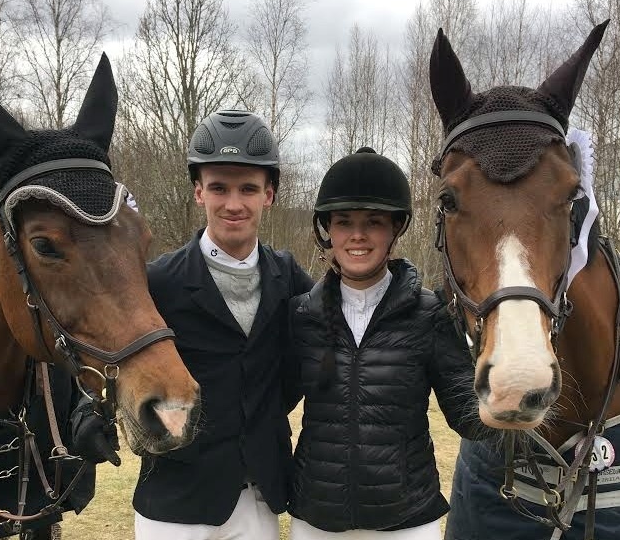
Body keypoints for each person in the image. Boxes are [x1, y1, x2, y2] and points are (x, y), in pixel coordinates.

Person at [132, 110, 314, 540]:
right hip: (175, 501)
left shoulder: (289, 278)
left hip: (258, 499)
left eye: (248, 188)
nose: (234, 204)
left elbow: (306, 363)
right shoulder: (157, 282)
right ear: (198, 191)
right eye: (219, 187)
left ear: (269, 195)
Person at [286, 147, 483, 539]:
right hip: (317, 518)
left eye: (373, 222)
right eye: (344, 222)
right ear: (329, 230)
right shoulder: (301, 315)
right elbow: (268, 401)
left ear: (395, 229)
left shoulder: (431, 315)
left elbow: (469, 418)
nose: (357, 235)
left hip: (407, 520)